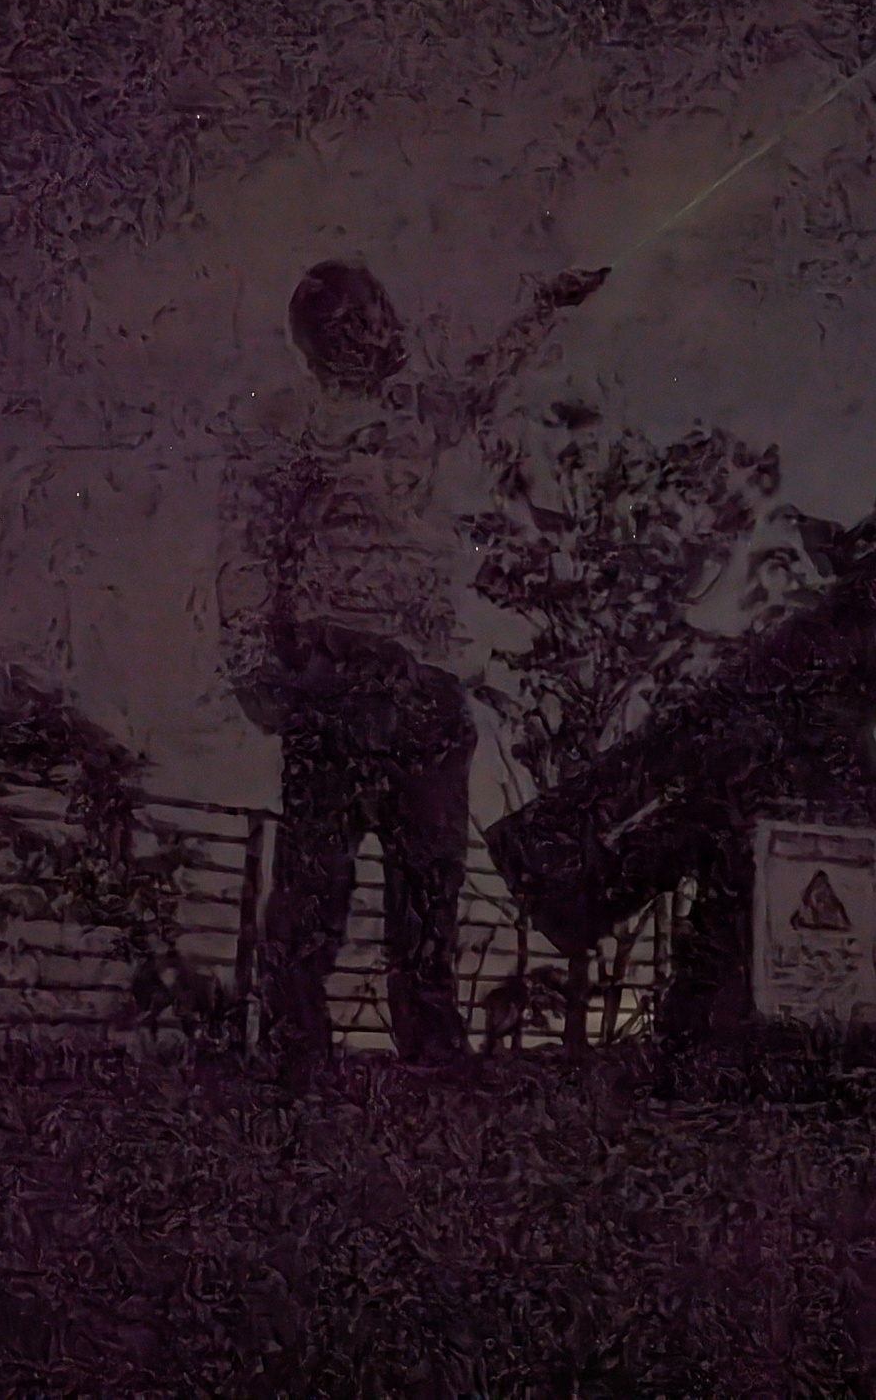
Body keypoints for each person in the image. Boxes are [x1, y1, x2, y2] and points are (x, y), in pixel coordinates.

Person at [218, 258, 606, 1069]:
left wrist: (541, 302)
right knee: (317, 876)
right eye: (351, 325)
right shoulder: (293, 421)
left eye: (378, 314)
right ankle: (297, 1057)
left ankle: (432, 1058)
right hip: (337, 662)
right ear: (318, 346)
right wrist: (252, 659)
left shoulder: (416, 411)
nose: (377, 332)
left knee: (431, 876)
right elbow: (249, 543)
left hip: (426, 676)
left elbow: (483, 382)